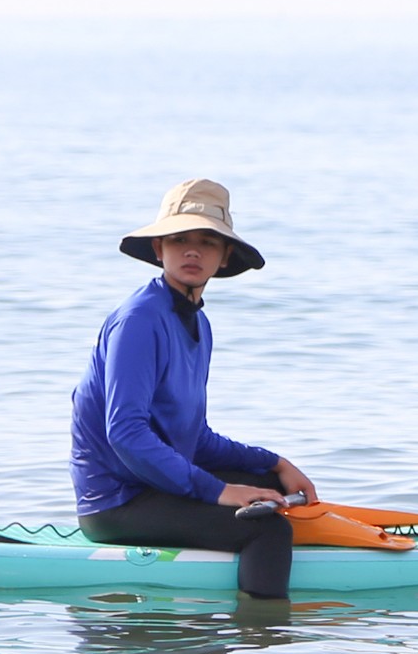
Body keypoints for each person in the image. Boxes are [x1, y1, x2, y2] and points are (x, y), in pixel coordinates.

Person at [70, 178, 318, 599]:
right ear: (158, 249)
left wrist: (274, 462)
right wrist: (219, 491)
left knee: (271, 488)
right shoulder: (139, 320)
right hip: (117, 502)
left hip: (155, 483)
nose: (192, 251)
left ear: (224, 258)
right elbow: (126, 433)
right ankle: (263, 645)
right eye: (180, 239)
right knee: (268, 530)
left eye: (207, 242)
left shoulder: (196, 322)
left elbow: (191, 436)